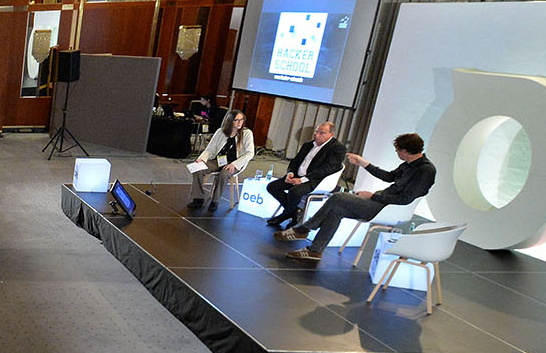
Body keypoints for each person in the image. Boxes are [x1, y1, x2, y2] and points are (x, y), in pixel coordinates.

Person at [281, 133, 438, 263]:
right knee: (336, 210)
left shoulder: (425, 170)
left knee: (338, 197)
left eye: (398, 151)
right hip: (382, 202)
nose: (397, 153)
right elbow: (389, 177)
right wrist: (364, 164)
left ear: (406, 151)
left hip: (388, 208)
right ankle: (314, 251)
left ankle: (304, 229)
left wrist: (373, 196)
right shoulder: (408, 163)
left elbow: (405, 199)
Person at [266, 121, 347, 229]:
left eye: (322, 133)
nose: (317, 135)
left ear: (331, 134)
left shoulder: (338, 148)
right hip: (298, 176)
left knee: (294, 192)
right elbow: (295, 162)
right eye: (316, 132)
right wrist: (291, 173)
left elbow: (327, 169)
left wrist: (303, 179)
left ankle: (285, 214)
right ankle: (293, 212)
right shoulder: (308, 145)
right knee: (272, 187)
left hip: (315, 180)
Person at [187, 109, 255, 213]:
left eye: (242, 120)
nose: (240, 122)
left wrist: (234, 164)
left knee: (223, 174)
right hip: (218, 161)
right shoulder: (220, 132)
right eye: (237, 120)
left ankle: (215, 201)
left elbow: (250, 153)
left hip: (234, 163)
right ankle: (198, 198)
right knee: (198, 169)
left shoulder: (247, 133)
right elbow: (210, 149)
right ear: (230, 121)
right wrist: (201, 159)